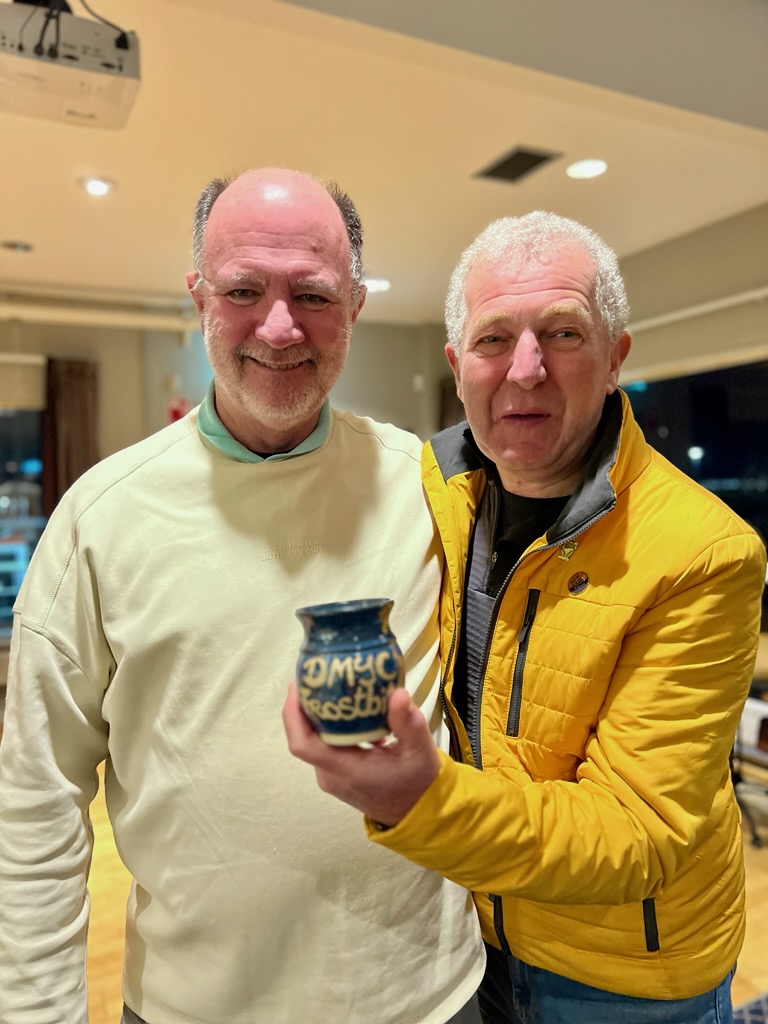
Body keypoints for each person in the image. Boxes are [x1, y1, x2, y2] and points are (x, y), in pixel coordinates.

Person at [0, 169, 485, 1024]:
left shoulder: (427, 486)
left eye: (313, 294)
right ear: (199, 299)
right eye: (243, 290)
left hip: (429, 997)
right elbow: (37, 800)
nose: (279, 326)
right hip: (192, 1006)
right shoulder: (101, 518)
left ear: (356, 306)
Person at [284, 211, 768, 1024]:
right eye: (494, 338)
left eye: (564, 333)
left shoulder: (705, 552)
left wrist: (421, 800)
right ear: (457, 366)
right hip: (464, 938)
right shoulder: (433, 493)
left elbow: (638, 832)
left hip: (620, 979)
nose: (527, 368)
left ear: (615, 358)